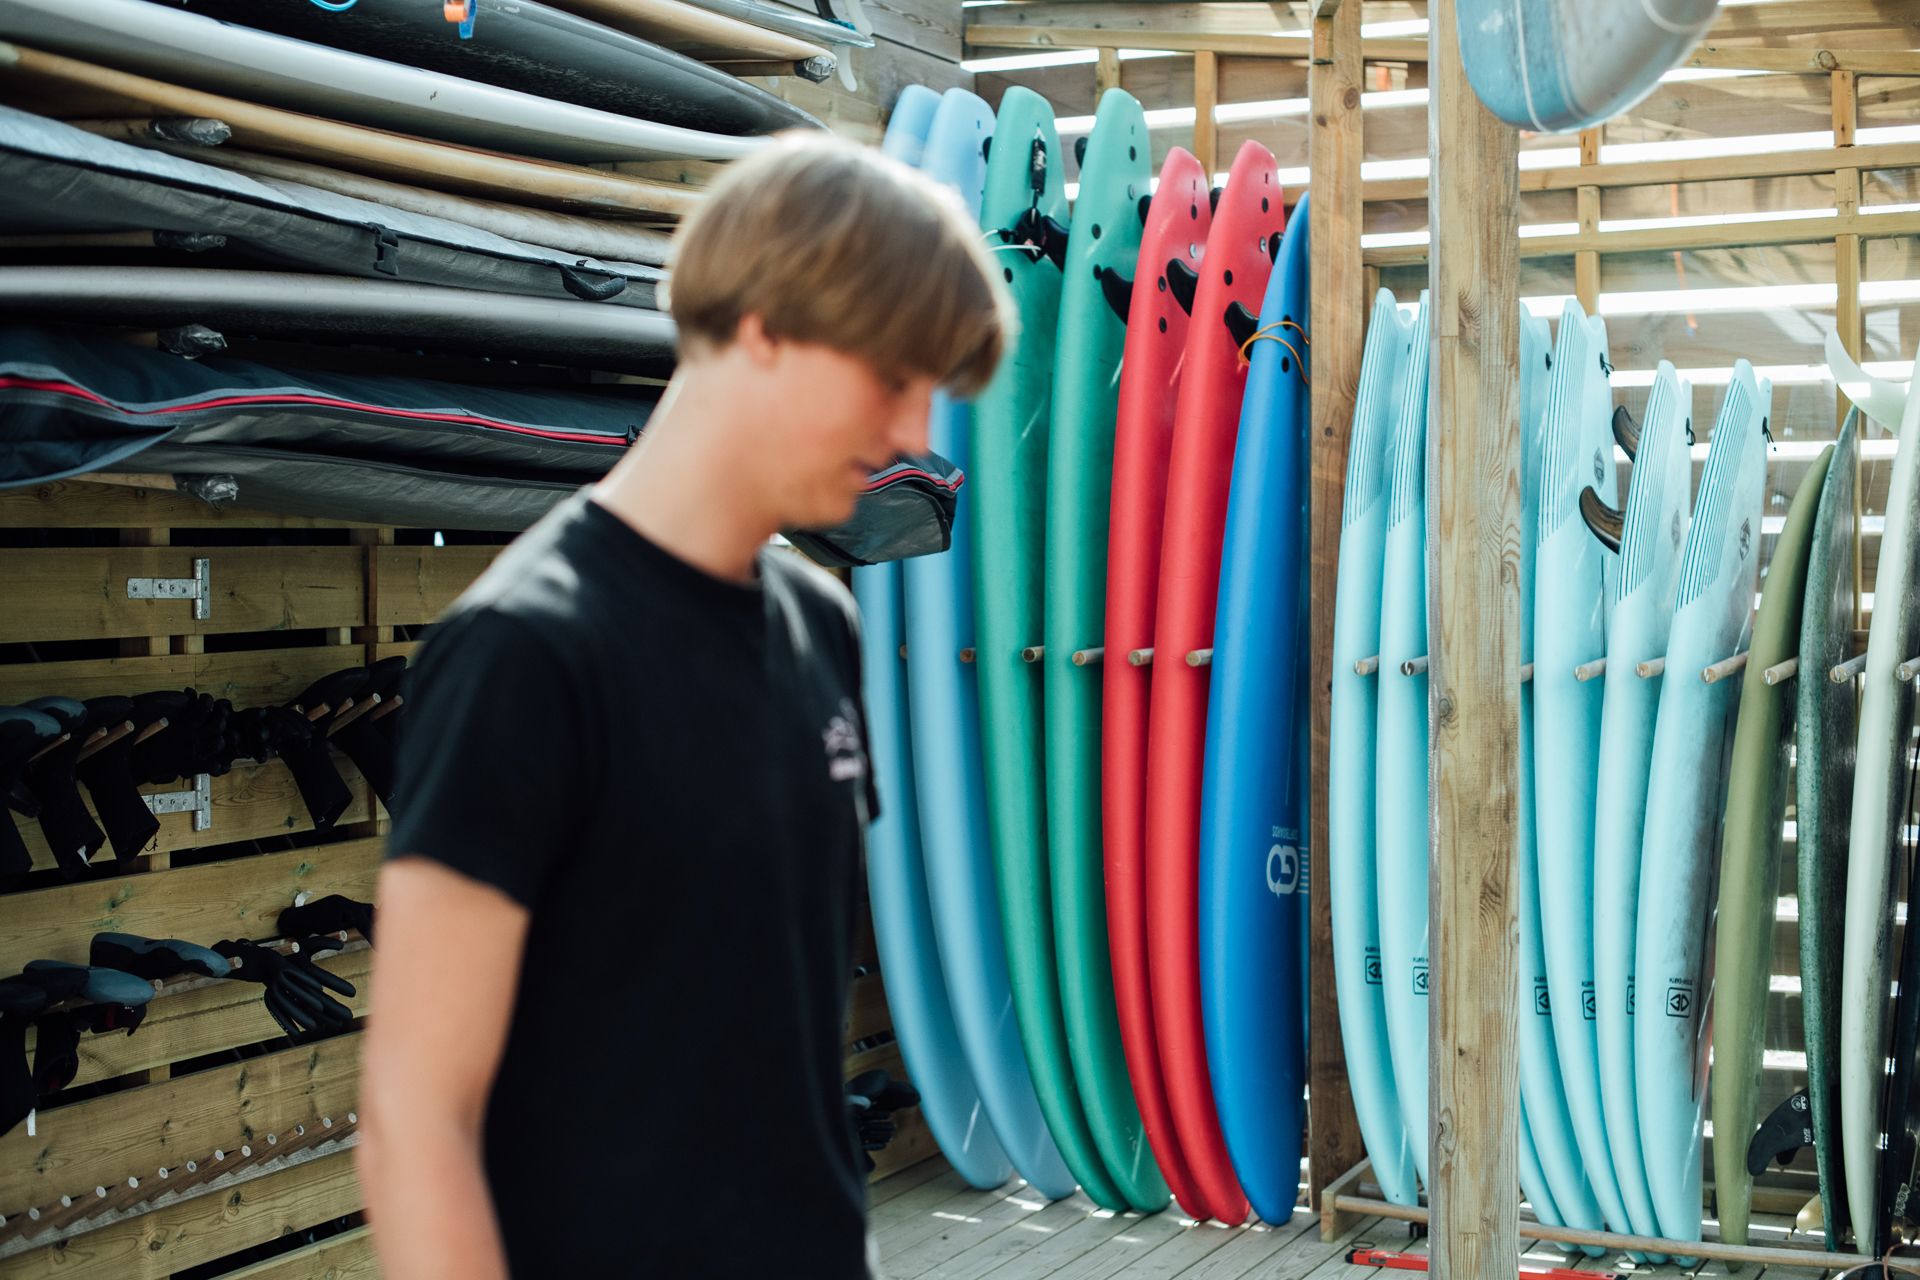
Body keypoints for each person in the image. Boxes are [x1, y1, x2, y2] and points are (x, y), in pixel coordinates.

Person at [357, 133, 1009, 1279]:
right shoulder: (522, 651)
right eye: (891, 377)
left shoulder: (825, 627)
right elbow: (414, 1118)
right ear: (764, 327)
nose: (913, 436)